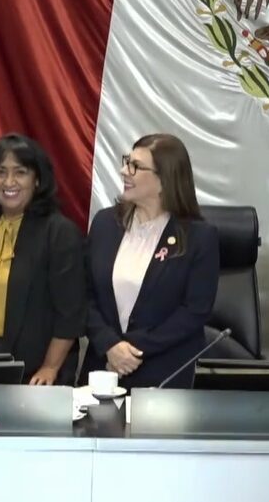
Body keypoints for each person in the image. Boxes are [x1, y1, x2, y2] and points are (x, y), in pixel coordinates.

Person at [84, 134, 219, 388]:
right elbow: (84, 295)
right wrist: (110, 345)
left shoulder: (199, 237)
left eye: (135, 166)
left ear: (164, 180)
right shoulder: (105, 223)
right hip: (104, 368)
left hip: (165, 374)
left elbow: (195, 311)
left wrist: (131, 350)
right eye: (127, 162)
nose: (124, 171)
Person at [0, 134, 86, 385]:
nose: (9, 182)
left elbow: (70, 314)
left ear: (37, 179)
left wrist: (50, 367)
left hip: (36, 371)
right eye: (0, 172)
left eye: (20, 172)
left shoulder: (59, 232)